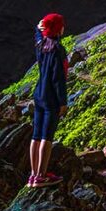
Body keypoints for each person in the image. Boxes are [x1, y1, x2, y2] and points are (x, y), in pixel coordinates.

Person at [28, 12, 68, 187]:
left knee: (36, 136)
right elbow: (58, 79)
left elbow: (38, 33)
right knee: (47, 137)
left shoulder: (40, 44)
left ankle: (33, 175)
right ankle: (41, 175)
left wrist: (39, 27)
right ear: (58, 29)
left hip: (38, 94)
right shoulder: (58, 50)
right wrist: (63, 102)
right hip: (51, 97)